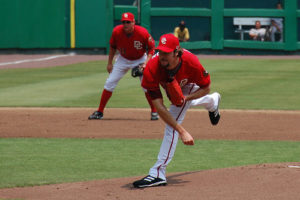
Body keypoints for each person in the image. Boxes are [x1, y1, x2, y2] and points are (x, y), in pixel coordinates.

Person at [132, 33, 221, 188]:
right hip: (170, 86)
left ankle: (158, 173)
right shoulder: (152, 68)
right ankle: (213, 101)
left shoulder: (191, 63)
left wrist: (185, 101)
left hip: (188, 85)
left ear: (176, 52)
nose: (162, 56)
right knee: (175, 115)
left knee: (172, 125)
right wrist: (181, 129)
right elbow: (159, 106)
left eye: (167, 53)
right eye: (161, 52)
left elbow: (206, 87)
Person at [88, 12, 159, 121]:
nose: (125, 24)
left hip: (140, 59)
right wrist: (109, 63)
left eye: (128, 22)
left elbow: (151, 49)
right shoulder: (117, 31)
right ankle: (100, 112)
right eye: (124, 22)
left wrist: (146, 63)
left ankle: (154, 112)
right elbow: (112, 47)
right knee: (110, 83)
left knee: (146, 86)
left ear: (133, 22)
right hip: (123, 59)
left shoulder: (142, 32)